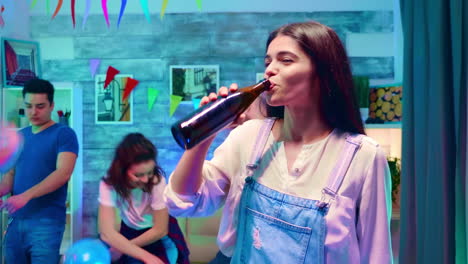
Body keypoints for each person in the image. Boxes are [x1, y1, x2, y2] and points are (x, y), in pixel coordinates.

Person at [165, 21, 393, 263]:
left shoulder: (363, 156)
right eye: (268, 62)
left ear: (324, 73)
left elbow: (376, 255)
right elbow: (184, 203)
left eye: (285, 60)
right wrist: (204, 135)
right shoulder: (249, 137)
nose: (270, 70)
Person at [0, 78, 79, 264]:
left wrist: (25, 196)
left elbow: (63, 173)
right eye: (29, 106)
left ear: (52, 105)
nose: (33, 112)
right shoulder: (20, 136)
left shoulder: (64, 134)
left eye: (40, 106)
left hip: (47, 223)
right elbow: (9, 176)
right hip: (15, 221)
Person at [98, 133, 189, 264]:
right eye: (138, 175)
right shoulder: (109, 183)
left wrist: (124, 248)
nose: (146, 179)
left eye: (149, 172)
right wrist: (129, 249)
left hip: (158, 236)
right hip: (128, 231)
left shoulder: (157, 181)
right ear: (122, 169)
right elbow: (107, 232)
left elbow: (160, 230)